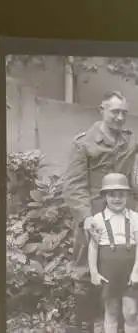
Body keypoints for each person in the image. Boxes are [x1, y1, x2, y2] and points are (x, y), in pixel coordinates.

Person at [62, 91, 138, 333]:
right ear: (101, 110)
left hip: (124, 214)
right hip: (93, 213)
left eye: (124, 113)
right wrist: (85, 218)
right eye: (114, 111)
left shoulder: (129, 141)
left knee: (127, 269)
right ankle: (83, 325)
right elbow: (74, 185)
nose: (119, 117)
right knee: (85, 269)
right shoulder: (84, 143)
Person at [86, 173, 138, 333]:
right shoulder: (97, 219)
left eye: (121, 194)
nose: (117, 199)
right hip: (108, 271)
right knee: (111, 310)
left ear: (128, 196)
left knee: (131, 312)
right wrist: (94, 272)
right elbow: (93, 247)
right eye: (112, 195)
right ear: (105, 196)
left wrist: (136, 271)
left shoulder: (135, 217)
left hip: (130, 270)